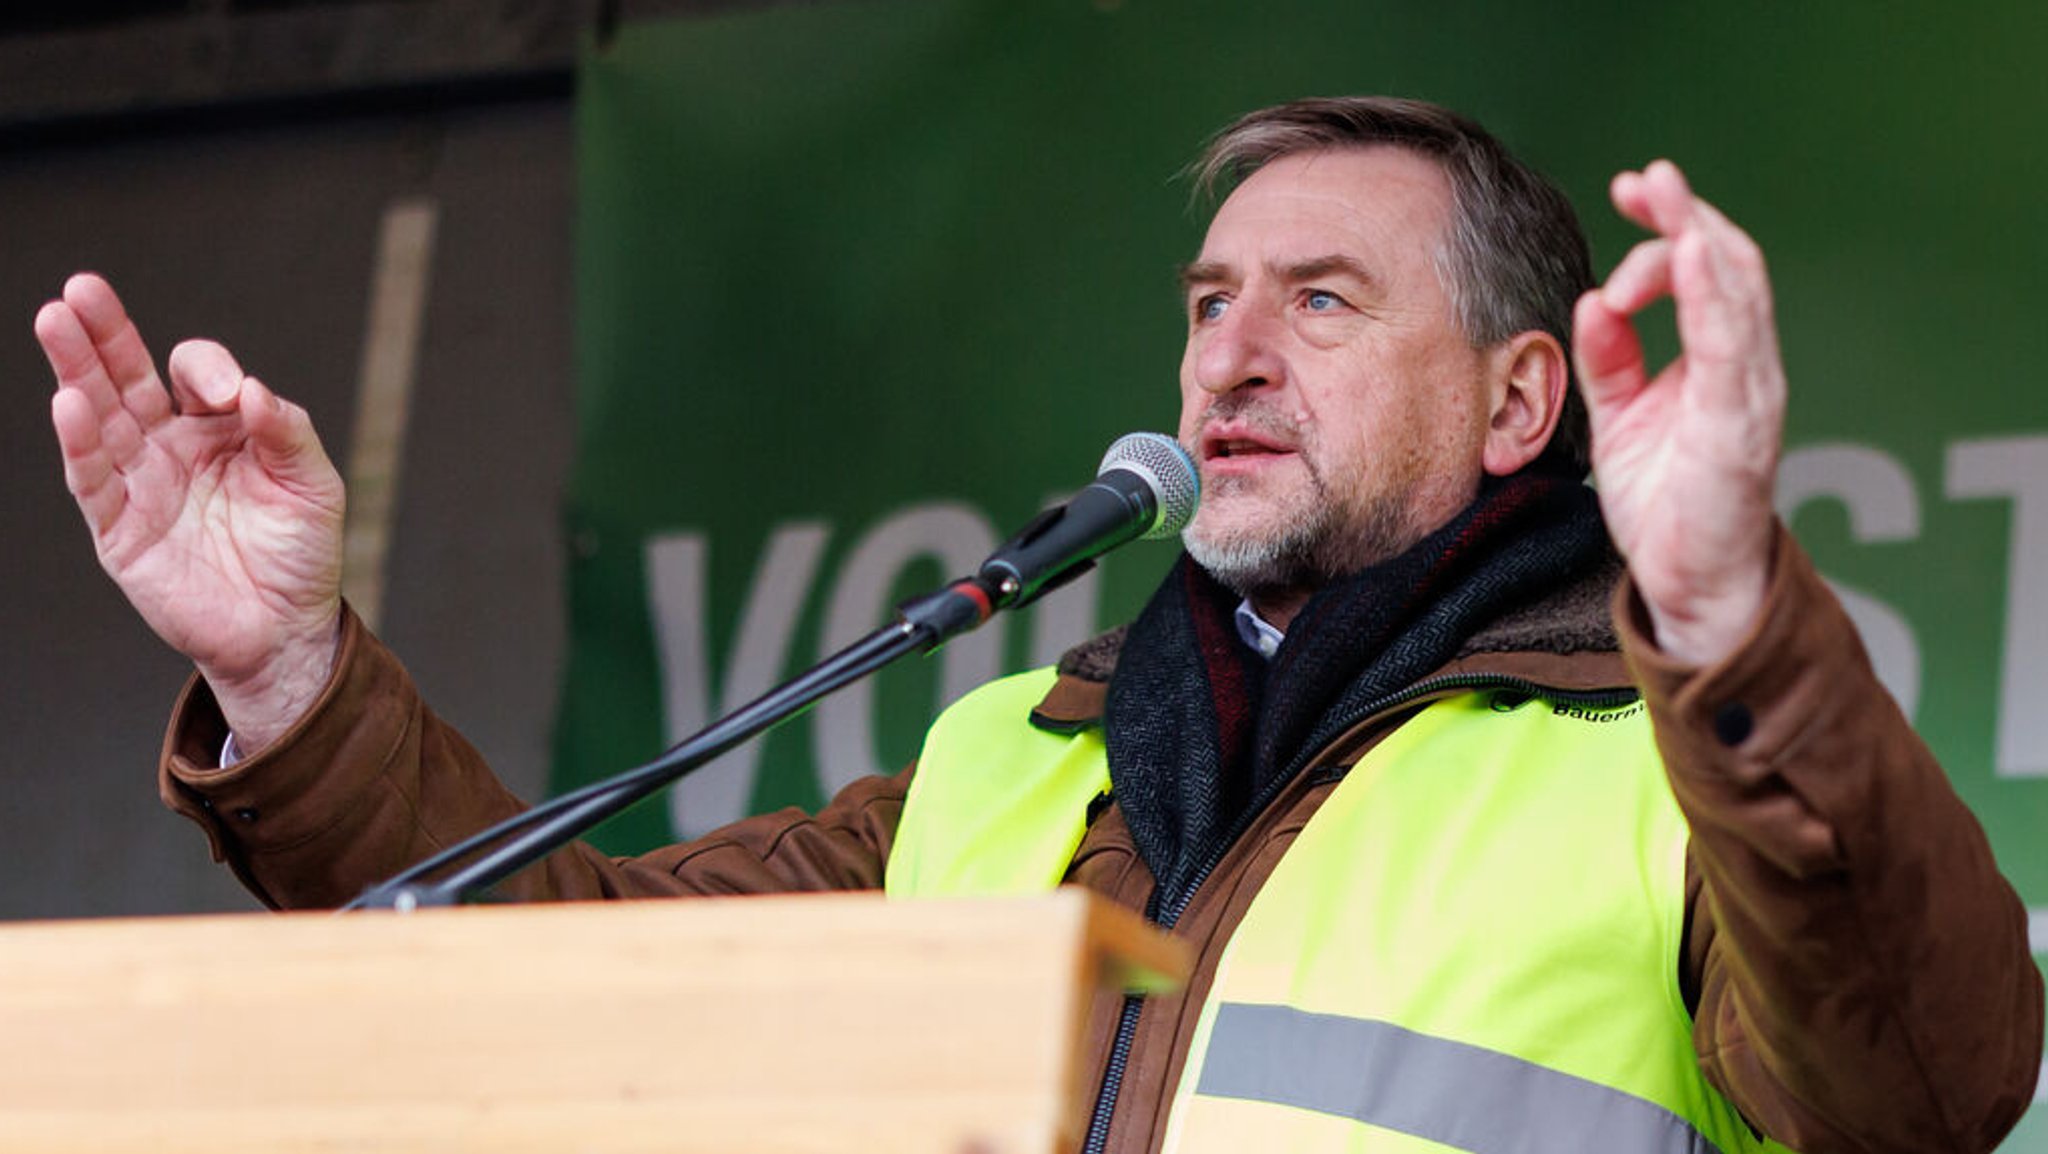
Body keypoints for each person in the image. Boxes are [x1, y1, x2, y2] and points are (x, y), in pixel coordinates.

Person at [38, 97, 2039, 1153]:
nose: (1227, 358)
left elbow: (1928, 1092)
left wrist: (1718, 611)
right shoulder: (1003, 769)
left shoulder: (1669, 780)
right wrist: (288, 675)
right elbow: (551, 999)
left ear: (1526, 402)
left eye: (1321, 302)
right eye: (1204, 302)